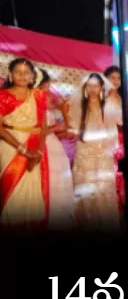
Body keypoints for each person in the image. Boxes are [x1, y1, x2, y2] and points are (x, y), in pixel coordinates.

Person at [68, 73, 120, 230]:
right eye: (89, 86)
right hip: (84, 151)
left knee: (103, 185)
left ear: (101, 87)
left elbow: (120, 120)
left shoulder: (109, 103)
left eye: (96, 86)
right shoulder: (79, 106)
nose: (92, 89)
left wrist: (115, 99)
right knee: (85, 184)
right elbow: (73, 127)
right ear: (85, 87)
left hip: (103, 151)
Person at [0, 58, 48, 228]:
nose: (22, 75)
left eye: (26, 72)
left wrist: (38, 152)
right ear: (10, 75)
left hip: (35, 147)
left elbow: (43, 127)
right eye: (17, 72)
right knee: (12, 194)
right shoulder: (2, 95)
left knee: (32, 196)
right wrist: (24, 150)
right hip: (11, 146)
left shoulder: (39, 95)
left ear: (32, 76)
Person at [37, 69, 74, 228]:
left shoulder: (48, 105)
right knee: (50, 180)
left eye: (48, 86)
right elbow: (36, 130)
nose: (48, 90)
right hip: (42, 144)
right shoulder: (33, 104)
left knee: (59, 179)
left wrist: (64, 113)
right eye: (45, 86)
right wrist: (55, 128)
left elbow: (64, 126)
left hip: (53, 145)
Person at [103, 65, 124, 210]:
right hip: (105, 139)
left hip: (121, 139)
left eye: (118, 78)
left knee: (120, 173)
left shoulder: (122, 98)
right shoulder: (100, 97)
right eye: (112, 78)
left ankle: (120, 205)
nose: (116, 81)